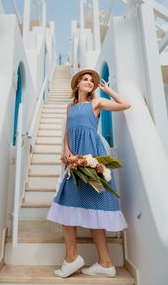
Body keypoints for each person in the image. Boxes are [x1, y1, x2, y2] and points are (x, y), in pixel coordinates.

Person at [47, 68, 131, 278]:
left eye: (92, 81)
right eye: (85, 79)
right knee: (67, 205)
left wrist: (108, 90)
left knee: (94, 208)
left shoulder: (96, 103)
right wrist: (67, 153)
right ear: (76, 84)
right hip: (75, 163)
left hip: (92, 159)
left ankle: (100, 262)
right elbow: (67, 134)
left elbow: (125, 105)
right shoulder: (70, 107)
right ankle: (81, 259)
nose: (89, 82)